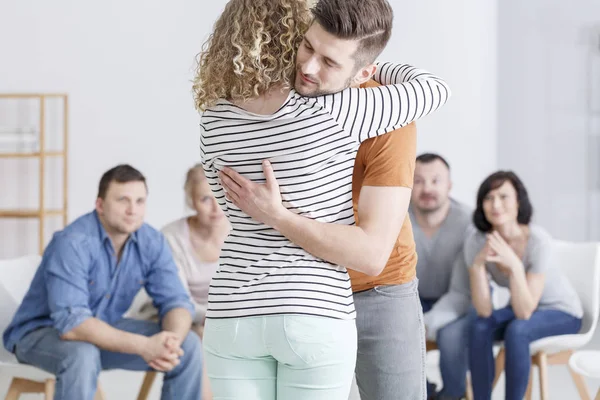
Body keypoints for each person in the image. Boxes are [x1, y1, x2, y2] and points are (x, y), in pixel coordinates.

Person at [194, 0, 451, 398]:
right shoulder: (337, 110)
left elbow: (370, 255)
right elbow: (434, 89)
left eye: (330, 62)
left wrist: (277, 215)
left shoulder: (215, 116)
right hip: (309, 300)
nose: (309, 67)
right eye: (306, 46)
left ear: (361, 71)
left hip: (375, 289)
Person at [2, 165, 202, 400]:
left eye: (140, 201)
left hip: (102, 328)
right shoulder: (72, 243)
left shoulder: (151, 241)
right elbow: (73, 325)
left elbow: (176, 301)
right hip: (40, 334)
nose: (132, 210)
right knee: (82, 354)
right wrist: (145, 346)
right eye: (123, 201)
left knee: (188, 345)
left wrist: (171, 341)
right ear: (100, 205)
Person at [466, 171, 583, 400]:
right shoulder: (476, 241)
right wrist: (477, 266)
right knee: (480, 326)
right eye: (488, 198)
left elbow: (524, 312)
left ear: (518, 201)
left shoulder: (538, 241)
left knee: (518, 330)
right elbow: (484, 310)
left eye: (503, 196)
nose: (495, 204)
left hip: (561, 311)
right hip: (524, 306)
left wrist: (515, 267)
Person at [129, 164, 229, 400]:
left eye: (220, 196)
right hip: (181, 316)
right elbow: (176, 297)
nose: (215, 208)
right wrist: (212, 320)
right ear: (191, 200)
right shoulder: (171, 237)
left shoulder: (243, 233)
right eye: (205, 199)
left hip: (227, 318)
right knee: (199, 342)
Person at [408, 153, 473, 400]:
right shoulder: (396, 216)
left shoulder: (468, 222)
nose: (427, 189)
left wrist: (427, 322)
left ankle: (453, 395)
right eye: (418, 181)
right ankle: (422, 392)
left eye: (436, 181)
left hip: (456, 300)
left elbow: (462, 292)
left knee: (451, 335)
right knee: (400, 327)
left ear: (449, 186)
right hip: (412, 299)